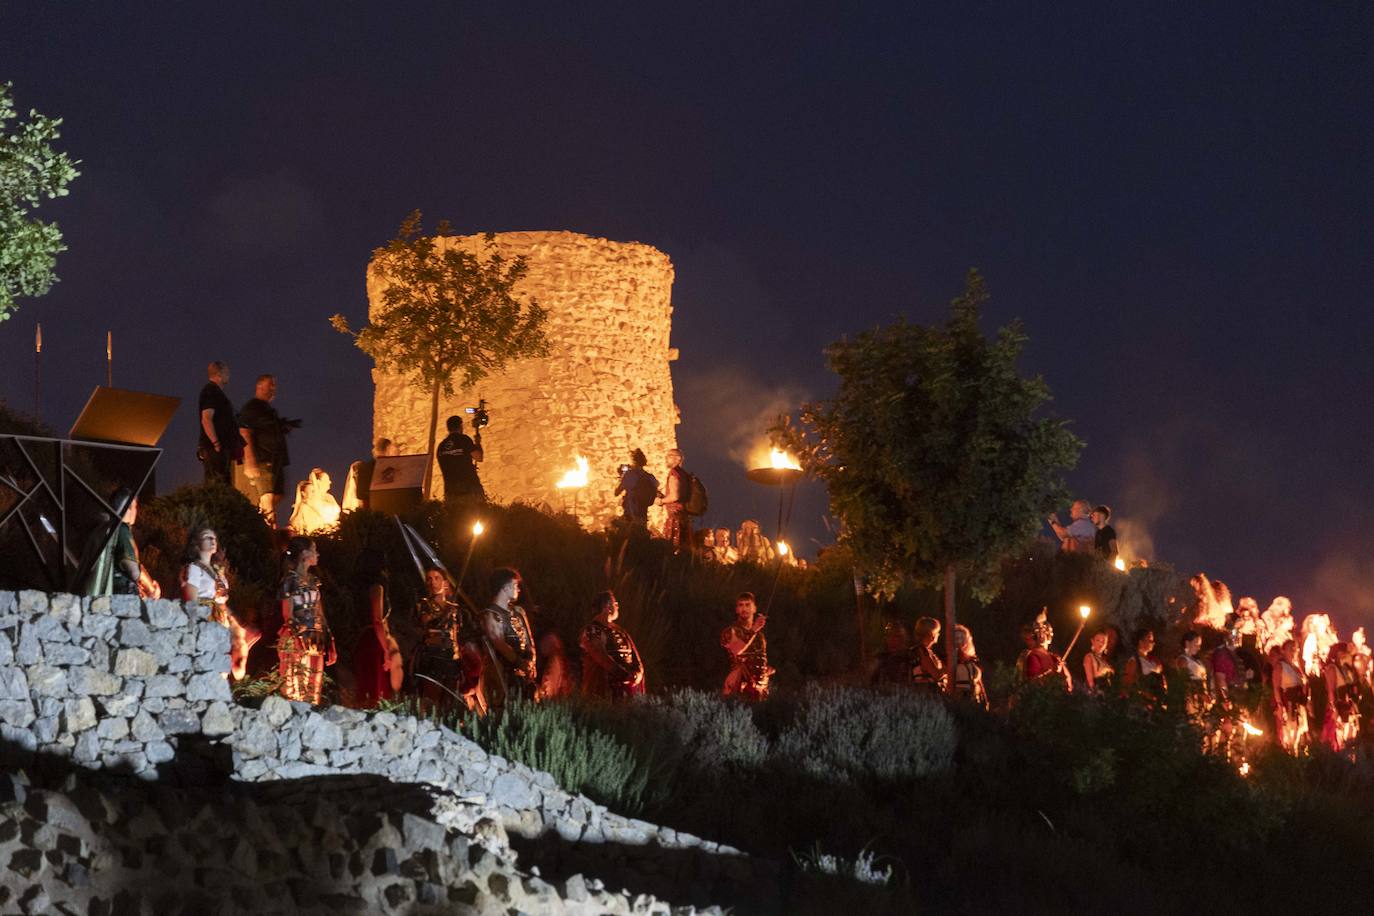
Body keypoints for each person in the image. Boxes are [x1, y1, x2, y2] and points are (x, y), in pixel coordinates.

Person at [179, 527, 255, 680]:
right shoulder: (193, 569)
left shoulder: (216, 571)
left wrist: (233, 623)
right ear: (197, 544)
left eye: (214, 538)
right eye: (207, 537)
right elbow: (191, 599)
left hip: (220, 620)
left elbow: (222, 601)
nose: (213, 541)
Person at [413, 565, 484, 714]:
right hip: (431, 659)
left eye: (437, 578)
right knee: (430, 704)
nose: (433, 582)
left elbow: (462, 634)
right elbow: (424, 621)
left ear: (445, 582)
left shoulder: (456, 609)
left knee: (449, 705)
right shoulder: (422, 605)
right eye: (429, 579)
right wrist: (443, 613)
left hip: (452, 661)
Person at [277, 536, 335, 705]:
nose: (317, 554)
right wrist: (299, 637)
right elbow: (287, 615)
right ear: (304, 554)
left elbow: (320, 613)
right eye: (314, 549)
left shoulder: (314, 581)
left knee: (314, 686)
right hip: (296, 640)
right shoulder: (289, 581)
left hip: (315, 640)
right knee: (296, 682)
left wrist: (329, 639)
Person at [236, 373, 297, 527]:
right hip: (263, 460)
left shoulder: (268, 410)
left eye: (274, 386)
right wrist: (250, 461)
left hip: (276, 461)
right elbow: (244, 431)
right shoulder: (252, 407)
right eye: (270, 385)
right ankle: (270, 535)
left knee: (277, 495)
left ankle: (264, 527)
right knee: (267, 498)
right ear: (260, 386)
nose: (273, 389)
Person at [350, 549, 403, 708]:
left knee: (367, 684)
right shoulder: (376, 588)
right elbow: (377, 620)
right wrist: (386, 649)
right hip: (375, 641)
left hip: (364, 639)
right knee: (377, 688)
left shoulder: (359, 588)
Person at [480, 567, 537, 710]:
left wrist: (531, 661)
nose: (518, 589)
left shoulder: (518, 612)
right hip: (501, 677)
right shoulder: (491, 615)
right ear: (505, 587)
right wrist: (520, 663)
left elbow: (529, 639)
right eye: (515, 585)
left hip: (523, 676)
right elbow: (500, 644)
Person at [579, 590, 645, 700]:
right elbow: (600, 657)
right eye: (615, 603)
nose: (618, 606)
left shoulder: (621, 631)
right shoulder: (592, 631)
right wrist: (624, 674)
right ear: (607, 606)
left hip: (627, 691)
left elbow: (635, 655)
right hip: (606, 692)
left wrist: (638, 672)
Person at [721, 592, 772, 700]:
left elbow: (759, 658)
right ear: (736, 610)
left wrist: (766, 670)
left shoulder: (760, 636)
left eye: (747, 605)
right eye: (741, 605)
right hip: (739, 689)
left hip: (760, 690)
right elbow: (736, 649)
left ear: (754, 608)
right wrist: (753, 629)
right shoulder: (731, 631)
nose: (744, 608)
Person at [198, 360, 242, 485]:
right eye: (226, 373)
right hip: (215, 450)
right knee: (217, 484)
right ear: (218, 374)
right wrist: (216, 443)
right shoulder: (211, 391)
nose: (229, 375)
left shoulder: (216, 393)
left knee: (222, 483)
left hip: (221, 448)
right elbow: (206, 418)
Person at [436, 415, 485, 505]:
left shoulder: (441, 447)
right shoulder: (464, 440)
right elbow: (479, 457)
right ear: (460, 426)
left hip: (450, 493)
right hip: (469, 490)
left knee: (455, 518)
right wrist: (478, 442)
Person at [1017, 611, 1071, 690]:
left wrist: (1062, 671)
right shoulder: (1031, 656)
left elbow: (1068, 682)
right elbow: (1031, 683)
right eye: (1039, 633)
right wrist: (1051, 671)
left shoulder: (1055, 658)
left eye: (1044, 632)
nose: (1042, 636)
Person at [1322, 642, 1360, 751]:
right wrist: (1334, 709)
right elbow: (1331, 690)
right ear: (1339, 654)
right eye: (1346, 653)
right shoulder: (1332, 668)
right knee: (1339, 736)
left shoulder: (1345, 669)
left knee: (1351, 734)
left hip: (1348, 707)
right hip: (1339, 708)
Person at [1272, 639, 1308, 754]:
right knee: (1289, 733)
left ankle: (1296, 757)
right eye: (1290, 649)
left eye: (1295, 649)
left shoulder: (1296, 667)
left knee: (1298, 733)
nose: (1294, 651)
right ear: (1283, 651)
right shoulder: (1280, 666)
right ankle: (1289, 758)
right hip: (1288, 703)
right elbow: (1276, 687)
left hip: (1299, 703)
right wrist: (1279, 705)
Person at [342, 438, 395, 512]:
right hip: (378, 510)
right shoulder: (391, 468)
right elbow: (360, 493)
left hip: (371, 510)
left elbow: (360, 493)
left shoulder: (364, 467)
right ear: (388, 449)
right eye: (392, 450)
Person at [655, 448, 692, 553]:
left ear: (678, 459)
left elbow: (675, 496)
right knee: (684, 548)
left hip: (675, 517)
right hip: (684, 515)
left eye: (669, 456)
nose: (666, 459)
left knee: (672, 547)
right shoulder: (684, 474)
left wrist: (661, 501)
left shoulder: (674, 474)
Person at [288, 468, 341, 535]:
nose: (330, 482)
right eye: (326, 480)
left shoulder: (330, 497)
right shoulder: (307, 504)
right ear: (318, 482)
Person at [613, 449, 658, 528]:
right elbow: (656, 486)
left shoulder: (629, 475)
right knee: (641, 531)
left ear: (634, 461)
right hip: (643, 510)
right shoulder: (649, 476)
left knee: (630, 532)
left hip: (631, 510)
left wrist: (621, 478)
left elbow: (616, 492)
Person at [1122, 628, 1165, 702]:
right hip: (1143, 702)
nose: (1153, 643)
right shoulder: (1134, 661)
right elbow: (1127, 684)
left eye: (1153, 641)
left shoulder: (1153, 661)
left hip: (1157, 702)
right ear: (1141, 642)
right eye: (1150, 640)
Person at [952, 624, 987, 707]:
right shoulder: (949, 660)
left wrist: (985, 700)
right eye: (956, 638)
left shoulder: (973, 659)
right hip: (959, 700)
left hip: (975, 699)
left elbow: (980, 682)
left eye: (962, 638)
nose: (959, 641)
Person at [869, 621, 912, 687]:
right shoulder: (880, 658)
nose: (892, 640)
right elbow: (871, 680)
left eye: (896, 637)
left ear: (903, 639)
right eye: (889, 636)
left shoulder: (910, 658)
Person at [911, 617, 945, 692]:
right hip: (925, 693)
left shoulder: (926, 651)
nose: (939, 634)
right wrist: (949, 668)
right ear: (932, 635)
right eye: (938, 632)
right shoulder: (921, 651)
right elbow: (936, 674)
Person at [1082, 628, 1116, 694]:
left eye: (1103, 641)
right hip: (1096, 693)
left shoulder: (1105, 661)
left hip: (1108, 693)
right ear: (1092, 641)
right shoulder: (1089, 657)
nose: (1101, 644)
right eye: (1098, 640)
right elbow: (1090, 682)